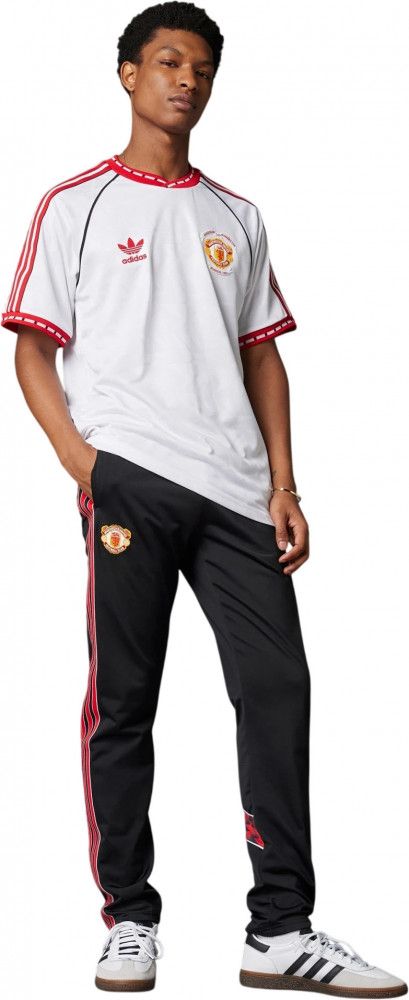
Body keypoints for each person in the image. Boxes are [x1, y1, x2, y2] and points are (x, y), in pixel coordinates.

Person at [2, 2, 407, 995]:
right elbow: (32, 349)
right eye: (168, 62)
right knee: (124, 702)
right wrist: (84, 463)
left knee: (278, 688)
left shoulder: (237, 216)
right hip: (130, 480)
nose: (186, 80)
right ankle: (129, 918)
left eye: (202, 68)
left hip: (236, 495)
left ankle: (280, 929)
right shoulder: (76, 203)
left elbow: (262, 357)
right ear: (128, 75)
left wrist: (284, 484)